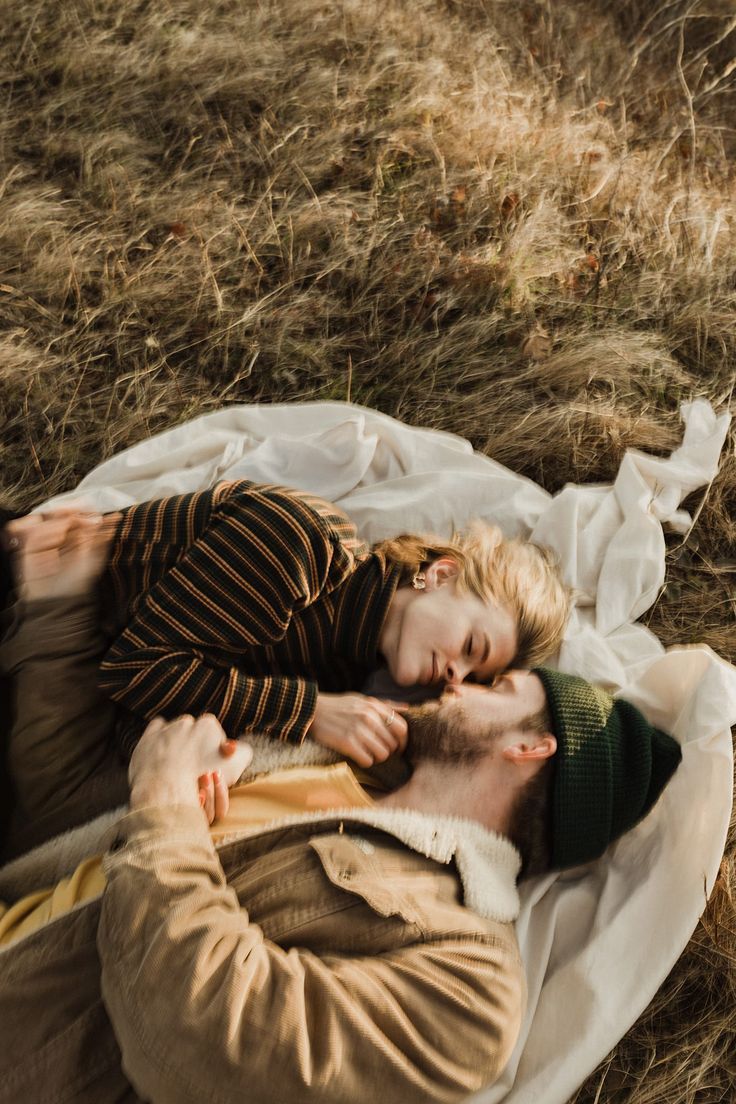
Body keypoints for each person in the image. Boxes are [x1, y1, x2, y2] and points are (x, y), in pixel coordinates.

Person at [0, 512, 681, 1104]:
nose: (457, 686)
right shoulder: (328, 745)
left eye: (493, 686)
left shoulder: (471, 984)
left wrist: (166, 815)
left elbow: (206, 1046)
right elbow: (64, 797)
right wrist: (57, 610)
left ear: (531, 746)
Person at [56, 479, 568, 765]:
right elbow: (133, 670)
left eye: (473, 677)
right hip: (33, 606)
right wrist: (312, 711)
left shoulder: (344, 674)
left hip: (60, 696)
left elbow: (145, 714)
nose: (456, 674)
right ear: (440, 574)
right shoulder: (302, 544)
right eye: (472, 646)